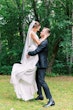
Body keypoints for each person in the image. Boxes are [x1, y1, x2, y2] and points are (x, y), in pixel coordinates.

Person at [10, 20, 48, 101]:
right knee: (30, 69)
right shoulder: (32, 33)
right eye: (38, 28)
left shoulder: (33, 33)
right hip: (33, 52)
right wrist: (45, 37)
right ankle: (17, 71)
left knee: (32, 71)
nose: (39, 30)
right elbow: (38, 43)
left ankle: (35, 93)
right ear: (35, 27)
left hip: (34, 52)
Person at [28, 27, 55, 107]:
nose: (41, 32)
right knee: (37, 80)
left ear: (46, 33)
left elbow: (37, 51)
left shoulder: (45, 42)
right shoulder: (41, 40)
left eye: (42, 31)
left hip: (42, 64)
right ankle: (40, 95)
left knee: (42, 81)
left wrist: (28, 53)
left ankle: (51, 100)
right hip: (38, 63)